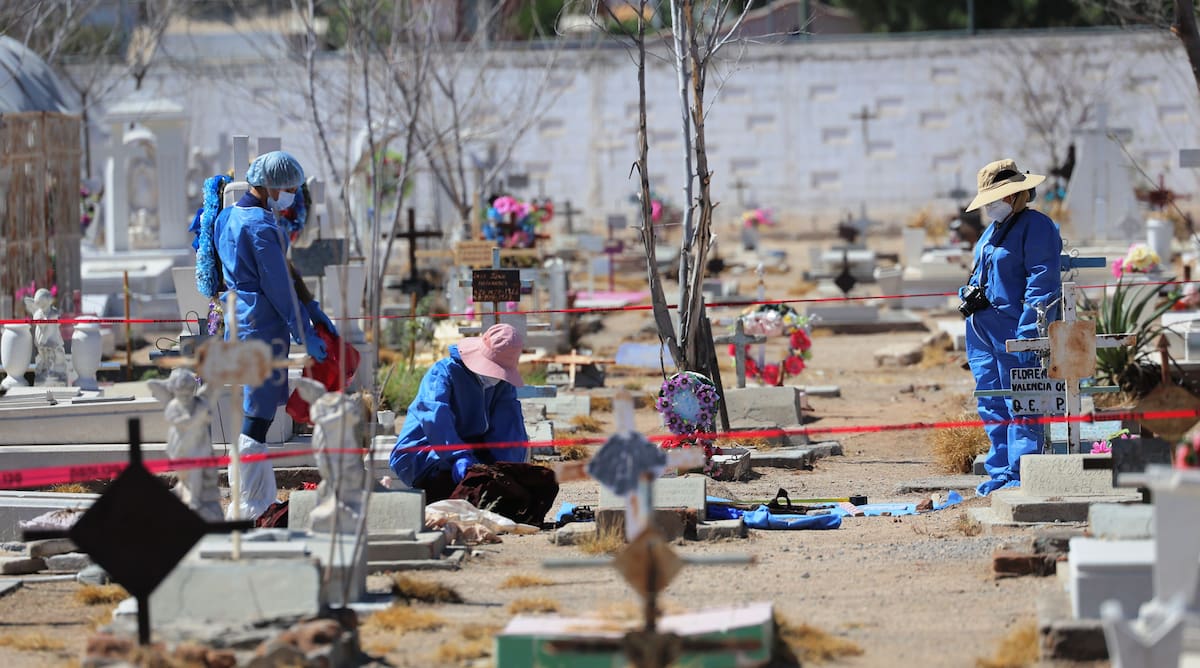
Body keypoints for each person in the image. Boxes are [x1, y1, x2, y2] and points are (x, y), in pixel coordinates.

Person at [215, 150, 336, 520]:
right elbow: (279, 286)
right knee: (259, 416)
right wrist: (305, 328)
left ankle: (250, 496)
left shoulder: (229, 216)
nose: (292, 196)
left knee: (255, 412)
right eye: (288, 189)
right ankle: (251, 501)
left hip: (243, 320)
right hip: (263, 328)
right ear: (268, 186)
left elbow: (283, 275)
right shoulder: (261, 227)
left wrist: (312, 307)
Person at [389, 323, 558, 525]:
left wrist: (505, 470)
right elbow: (435, 418)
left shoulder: (502, 385)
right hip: (423, 454)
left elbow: (509, 429)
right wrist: (458, 457)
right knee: (456, 490)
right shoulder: (444, 373)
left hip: (470, 452)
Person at [961, 159, 1062, 496]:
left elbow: (1042, 279)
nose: (991, 206)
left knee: (1023, 399)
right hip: (981, 332)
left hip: (1015, 330)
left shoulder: (1037, 226)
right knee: (992, 401)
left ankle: (1023, 470)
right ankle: (1001, 470)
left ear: (1016, 195)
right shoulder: (991, 230)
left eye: (997, 199)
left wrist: (1031, 327)